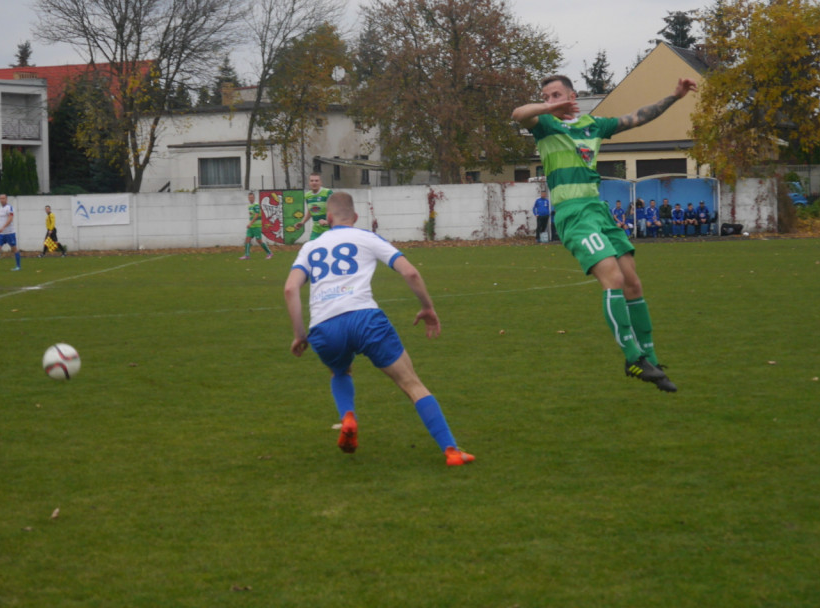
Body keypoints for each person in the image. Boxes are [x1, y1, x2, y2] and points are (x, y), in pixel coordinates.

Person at [513, 74, 697, 392]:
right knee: (612, 278)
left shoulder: (594, 126)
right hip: (573, 214)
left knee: (632, 282)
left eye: (556, 94)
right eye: (546, 96)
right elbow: (518, 114)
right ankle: (632, 358)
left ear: (573, 95)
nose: (550, 99)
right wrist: (548, 107)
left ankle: (649, 357)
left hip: (598, 211)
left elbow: (639, 117)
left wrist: (675, 96)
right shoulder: (543, 125)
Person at [283, 191, 475, 466]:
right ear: (356, 217)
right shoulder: (366, 237)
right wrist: (427, 308)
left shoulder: (311, 247)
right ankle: (451, 451)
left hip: (324, 327)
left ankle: (348, 416)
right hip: (365, 319)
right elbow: (409, 272)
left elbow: (290, 288)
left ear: (327, 218)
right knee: (411, 383)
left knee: (339, 370)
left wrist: (300, 335)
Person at [240, 192, 273, 260]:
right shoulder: (249, 206)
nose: (250, 199)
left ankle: (269, 253)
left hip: (256, 226)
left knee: (259, 241)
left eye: (252, 197)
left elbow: (257, 215)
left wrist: (250, 223)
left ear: (254, 198)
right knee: (247, 239)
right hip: (251, 227)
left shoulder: (256, 205)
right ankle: (247, 255)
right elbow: (252, 215)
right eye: (249, 197)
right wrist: (251, 222)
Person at [301, 173, 333, 241]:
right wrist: (302, 222)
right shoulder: (307, 195)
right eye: (312, 181)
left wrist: (327, 221)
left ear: (321, 182)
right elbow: (310, 211)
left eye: (316, 180)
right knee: (312, 248)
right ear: (309, 183)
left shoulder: (328, 193)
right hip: (316, 230)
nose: (314, 183)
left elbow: (335, 210)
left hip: (329, 229)